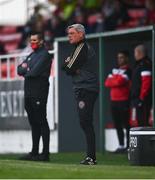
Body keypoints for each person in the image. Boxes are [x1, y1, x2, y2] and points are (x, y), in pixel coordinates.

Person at [62, 24, 99, 165]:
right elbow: (65, 66)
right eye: (68, 33)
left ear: (81, 34)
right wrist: (70, 66)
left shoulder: (82, 47)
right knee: (85, 122)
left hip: (86, 88)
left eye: (72, 33)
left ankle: (91, 157)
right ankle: (91, 157)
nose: (69, 36)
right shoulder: (77, 48)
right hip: (84, 87)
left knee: (85, 121)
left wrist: (71, 66)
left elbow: (69, 67)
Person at [17, 32, 52, 161]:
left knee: (41, 121)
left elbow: (33, 72)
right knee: (34, 123)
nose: (32, 43)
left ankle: (45, 154)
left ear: (41, 41)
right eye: (31, 41)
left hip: (39, 93)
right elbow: (19, 70)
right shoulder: (32, 55)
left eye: (35, 40)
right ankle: (34, 152)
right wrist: (26, 69)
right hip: (29, 93)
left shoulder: (45, 56)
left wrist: (26, 69)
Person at [105, 50, 131, 153]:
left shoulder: (129, 70)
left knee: (126, 124)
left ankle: (129, 146)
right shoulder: (114, 69)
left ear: (126, 58)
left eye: (122, 57)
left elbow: (120, 81)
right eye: (118, 57)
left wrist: (114, 79)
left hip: (124, 101)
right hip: (114, 101)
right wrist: (116, 79)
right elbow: (107, 83)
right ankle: (121, 145)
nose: (119, 59)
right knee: (117, 124)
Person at [131, 44, 152, 126]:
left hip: (143, 101)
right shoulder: (139, 64)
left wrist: (141, 98)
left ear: (139, 53)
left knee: (144, 123)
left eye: (135, 53)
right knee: (139, 122)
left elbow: (146, 82)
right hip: (138, 100)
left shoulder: (145, 64)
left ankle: (145, 139)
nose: (134, 55)